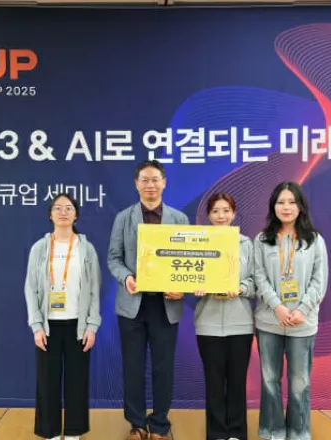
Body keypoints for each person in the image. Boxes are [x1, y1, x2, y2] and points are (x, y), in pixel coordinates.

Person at [107, 160, 190, 440]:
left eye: (155, 179)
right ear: (136, 184)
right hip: (133, 304)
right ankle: (137, 424)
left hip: (166, 305)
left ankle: (160, 424)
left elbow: (189, 260)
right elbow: (114, 259)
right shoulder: (124, 218)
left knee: (163, 368)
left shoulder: (179, 219)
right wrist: (126, 278)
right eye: (145, 180)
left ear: (164, 182)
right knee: (133, 366)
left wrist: (182, 287)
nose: (150, 185)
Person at [253, 182, 329, 440]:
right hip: (269, 320)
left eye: (291, 202)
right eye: (281, 202)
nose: (286, 207)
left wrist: (303, 310)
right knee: (269, 380)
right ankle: (272, 432)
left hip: (302, 322)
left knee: (300, 382)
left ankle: (298, 433)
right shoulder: (262, 240)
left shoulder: (314, 240)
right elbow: (259, 276)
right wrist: (277, 306)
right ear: (273, 207)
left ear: (300, 207)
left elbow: (319, 280)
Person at [24, 193, 102, 440]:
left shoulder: (86, 249)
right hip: (48, 326)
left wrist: (92, 326)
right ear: (50, 215)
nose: (63, 212)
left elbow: (94, 289)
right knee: (47, 381)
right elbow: (30, 288)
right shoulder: (39, 248)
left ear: (76, 215)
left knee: (77, 380)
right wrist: (36, 325)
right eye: (57, 208)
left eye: (68, 208)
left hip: (78, 325)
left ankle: (73, 432)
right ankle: (50, 431)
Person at [193, 193, 255, 440]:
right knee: (214, 384)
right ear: (208, 215)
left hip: (240, 324)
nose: (221, 216)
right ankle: (217, 434)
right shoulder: (199, 242)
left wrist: (241, 288)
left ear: (234, 213)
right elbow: (186, 275)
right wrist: (195, 286)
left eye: (226, 210)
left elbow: (255, 281)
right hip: (207, 324)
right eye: (216, 211)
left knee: (237, 383)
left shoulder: (246, 244)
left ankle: (237, 433)